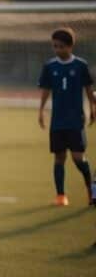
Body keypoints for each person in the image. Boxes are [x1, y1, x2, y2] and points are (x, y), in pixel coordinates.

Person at [37, 27, 96, 207]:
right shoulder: (49, 67)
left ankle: (91, 189)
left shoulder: (80, 66)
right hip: (58, 122)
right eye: (55, 46)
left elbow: (88, 89)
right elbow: (46, 90)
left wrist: (93, 108)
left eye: (61, 46)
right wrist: (41, 110)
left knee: (78, 158)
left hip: (75, 120)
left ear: (70, 46)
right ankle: (61, 195)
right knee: (59, 157)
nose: (57, 50)